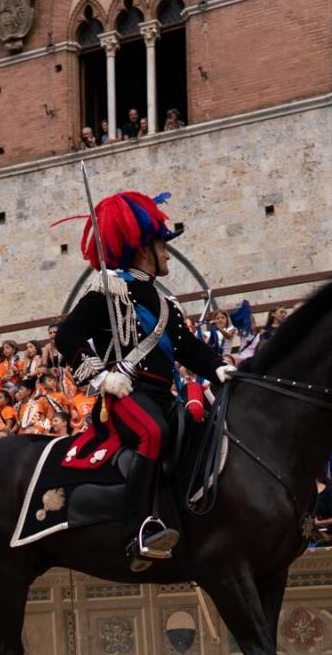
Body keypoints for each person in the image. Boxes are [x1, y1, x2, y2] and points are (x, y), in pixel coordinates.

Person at [54, 190, 235, 570]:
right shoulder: (109, 289)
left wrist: (218, 367)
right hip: (125, 395)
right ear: (142, 249)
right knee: (153, 433)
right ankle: (137, 531)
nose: (168, 254)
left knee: (200, 431)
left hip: (162, 393)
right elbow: (67, 336)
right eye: (161, 246)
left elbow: (188, 349)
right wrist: (102, 377)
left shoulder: (167, 304)